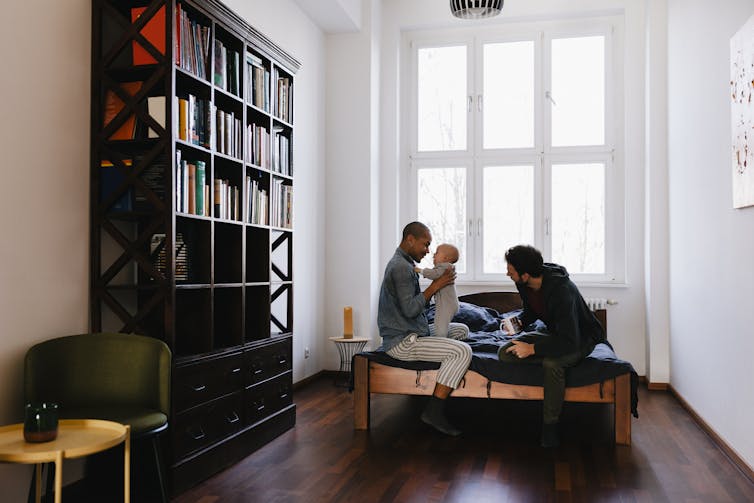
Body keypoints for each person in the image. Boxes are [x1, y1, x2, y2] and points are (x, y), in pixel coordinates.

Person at [498, 245, 605, 447]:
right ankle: (554, 364)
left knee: (552, 364)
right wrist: (519, 322)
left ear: (525, 274)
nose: (507, 273)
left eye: (511, 270)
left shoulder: (562, 291)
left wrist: (532, 350)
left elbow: (569, 339)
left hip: (580, 337)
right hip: (556, 334)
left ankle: (550, 427)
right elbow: (531, 311)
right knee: (505, 352)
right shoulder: (523, 284)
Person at [378, 222, 472, 436]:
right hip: (402, 341)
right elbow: (411, 309)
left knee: (461, 330)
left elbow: (415, 306)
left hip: (414, 330)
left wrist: (439, 292)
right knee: (462, 350)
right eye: (426, 244)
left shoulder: (405, 263)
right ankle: (434, 411)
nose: (429, 250)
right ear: (410, 239)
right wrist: (435, 287)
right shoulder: (401, 267)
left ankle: (447, 363)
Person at [415, 243, 462, 339]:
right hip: (448, 304)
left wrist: (419, 270)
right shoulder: (446, 268)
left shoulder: (445, 267)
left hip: (446, 304)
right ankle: (442, 336)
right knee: (440, 323)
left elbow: (434, 274)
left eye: (436, 253)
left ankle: (441, 340)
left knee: (440, 323)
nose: (433, 255)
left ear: (445, 258)